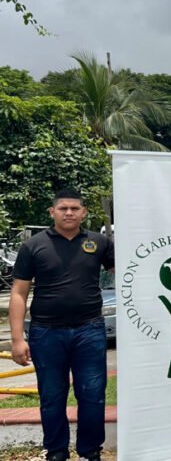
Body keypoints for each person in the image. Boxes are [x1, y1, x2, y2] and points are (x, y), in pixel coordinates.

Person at [9, 190, 114, 461]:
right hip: (46, 332)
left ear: (84, 212)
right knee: (52, 395)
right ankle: (56, 452)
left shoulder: (100, 242)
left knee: (92, 394)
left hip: (89, 329)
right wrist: (18, 339)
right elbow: (19, 293)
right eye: (63, 208)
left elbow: (129, 272)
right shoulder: (33, 246)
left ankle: (90, 452)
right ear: (51, 212)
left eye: (75, 208)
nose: (69, 212)